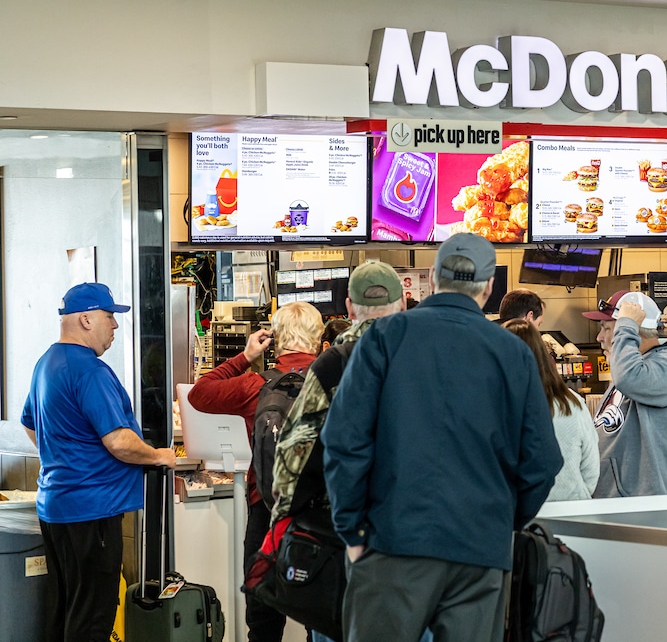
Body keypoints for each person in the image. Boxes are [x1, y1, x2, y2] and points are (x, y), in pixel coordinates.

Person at [323, 233, 561, 642]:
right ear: (488, 286)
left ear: (432, 277)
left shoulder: (383, 339)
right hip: (480, 553)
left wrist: (353, 532)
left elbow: (345, 441)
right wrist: (498, 521)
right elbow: (541, 462)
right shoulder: (515, 353)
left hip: (392, 543)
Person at [22, 283, 177, 642]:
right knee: (93, 618)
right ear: (87, 319)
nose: (115, 327)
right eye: (110, 317)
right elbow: (119, 441)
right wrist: (158, 456)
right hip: (92, 512)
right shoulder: (90, 371)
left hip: (56, 507)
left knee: (65, 610)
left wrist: (66, 456)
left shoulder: (47, 363)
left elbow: (31, 426)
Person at [269, 261, 406, 642]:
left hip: (345, 536)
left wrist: (282, 518)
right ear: (404, 303)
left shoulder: (335, 363)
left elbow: (296, 451)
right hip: (421, 539)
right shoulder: (431, 359)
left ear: (348, 308)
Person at [189, 299, 324, 642]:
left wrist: (245, 356)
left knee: (263, 614)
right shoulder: (335, 382)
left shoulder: (256, 385)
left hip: (264, 505)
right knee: (321, 613)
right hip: (320, 510)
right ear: (319, 337)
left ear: (276, 339)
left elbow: (199, 395)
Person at [583, 290, 667, 498]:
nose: (600, 337)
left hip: (647, 509)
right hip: (619, 506)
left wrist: (626, 325)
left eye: (607, 329)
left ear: (633, 332)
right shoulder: (632, 366)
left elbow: (628, 378)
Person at [504, 318, 599, 501]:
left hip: (519, 516)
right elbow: (591, 470)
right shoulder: (574, 403)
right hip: (574, 513)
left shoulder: (496, 407)